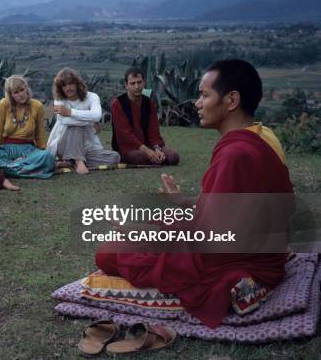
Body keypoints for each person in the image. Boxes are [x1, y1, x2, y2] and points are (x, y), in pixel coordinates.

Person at [95, 59, 294, 329]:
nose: (197, 103)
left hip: (238, 256)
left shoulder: (235, 154)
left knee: (108, 252)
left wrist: (151, 233)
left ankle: (242, 283)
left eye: (204, 95)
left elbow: (211, 236)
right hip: (261, 247)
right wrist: (180, 205)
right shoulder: (262, 135)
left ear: (232, 100)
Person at [47, 68, 120, 174]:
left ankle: (69, 162)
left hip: (86, 148)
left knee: (115, 157)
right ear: (60, 88)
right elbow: (63, 120)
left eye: (71, 84)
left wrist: (70, 112)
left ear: (77, 84)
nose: (68, 88)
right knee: (76, 126)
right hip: (62, 145)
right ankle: (79, 162)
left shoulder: (92, 97)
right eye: (64, 85)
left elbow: (96, 116)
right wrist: (90, 122)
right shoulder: (60, 99)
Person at [111, 67, 179, 165]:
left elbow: (153, 131)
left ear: (144, 83)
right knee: (141, 157)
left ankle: (157, 158)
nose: (137, 86)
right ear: (126, 85)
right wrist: (146, 150)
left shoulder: (149, 103)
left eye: (139, 82)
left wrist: (157, 148)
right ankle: (156, 159)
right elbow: (124, 134)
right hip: (128, 148)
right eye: (132, 83)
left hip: (149, 145)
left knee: (173, 156)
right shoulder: (118, 104)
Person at [0, 75, 55, 178]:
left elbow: (40, 134)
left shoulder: (37, 106)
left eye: (22, 90)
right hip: (6, 149)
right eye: (16, 92)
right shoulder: (4, 104)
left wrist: (42, 151)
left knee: (48, 157)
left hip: (28, 151)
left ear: (26, 88)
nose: (21, 94)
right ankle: (25, 169)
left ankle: (10, 169)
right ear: (10, 95)